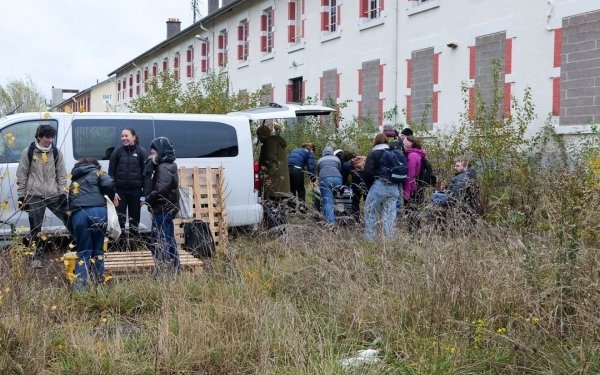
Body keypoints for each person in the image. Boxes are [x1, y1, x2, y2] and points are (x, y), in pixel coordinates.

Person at [16, 124, 70, 268]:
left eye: (52, 137)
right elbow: (22, 175)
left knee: (70, 219)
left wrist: (63, 193)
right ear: (39, 137)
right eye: (47, 137)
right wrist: (22, 196)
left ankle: (79, 249)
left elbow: (62, 175)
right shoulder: (28, 152)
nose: (50, 140)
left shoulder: (56, 152)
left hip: (54, 195)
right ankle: (36, 257)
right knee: (36, 228)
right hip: (35, 196)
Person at [68, 157, 115, 290]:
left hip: (79, 214)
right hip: (98, 212)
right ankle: (97, 286)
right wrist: (110, 196)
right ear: (95, 165)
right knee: (98, 250)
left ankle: (80, 290)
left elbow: (69, 203)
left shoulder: (74, 180)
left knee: (83, 252)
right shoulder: (98, 172)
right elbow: (108, 183)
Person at [143, 137, 181, 272]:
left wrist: (147, 199)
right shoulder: (165, 165)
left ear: (161, 150)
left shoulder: (163, 167)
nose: (151, 151)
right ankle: (174, 268)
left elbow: (161, 190)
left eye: (154, 148)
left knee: (161, 240)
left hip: (163, 210)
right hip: (165, 209)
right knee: (168, 239)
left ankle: (164, 271)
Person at [108, 127, 150, 249]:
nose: (124, 138)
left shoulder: (141, 152)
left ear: (133, 137)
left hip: (136, 193)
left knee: (134, 222)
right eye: (122, 136)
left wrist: (144, 195)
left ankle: (133, 248)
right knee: (119, 221)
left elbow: (147, 176)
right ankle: (119, 248)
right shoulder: (117, 152)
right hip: (120, 193)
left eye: (126, 136)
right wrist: (113, 192)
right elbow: (111, 175)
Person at [362, 133, 404, 241]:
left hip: (379, 185)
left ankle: (370, 240)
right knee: (389, 215)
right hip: (394, 187)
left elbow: (367, 172)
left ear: (375, 142)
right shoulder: (393, 152)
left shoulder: (374, 153)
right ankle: (389, 242)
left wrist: (370, 185)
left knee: (369, 210)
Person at [425, 157, 482, 222]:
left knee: (435, 197)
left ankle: (426, 220)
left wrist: (439, 203)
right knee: (437, 194)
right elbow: (458, 191)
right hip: (467, 207)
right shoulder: (469, 176)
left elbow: (454, 198)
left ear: (465, 167)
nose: (455, 168)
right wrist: (446, 189)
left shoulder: (461, 178)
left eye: (458, 166)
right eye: (455, 166)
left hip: (459, 208)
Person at [257, 124, 290, 200]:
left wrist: (268, 177)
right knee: (278, 207)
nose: (258, 138)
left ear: (261, 135)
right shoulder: (275, 141)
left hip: (274, 183)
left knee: (273, 207)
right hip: (279, 182)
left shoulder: (270, 142)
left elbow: (271, 162)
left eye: (258, 135)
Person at [402, 135, 427, 233]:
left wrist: (406, 193)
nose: (402, 145)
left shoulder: (412, 155)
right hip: (417, 187)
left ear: (407, 146)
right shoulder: (418, 154)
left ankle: (413, 236)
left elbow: (410, 175)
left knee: (411, 213)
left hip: (412, 189)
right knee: (414, 213)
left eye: (403, 144)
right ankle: (417, 235)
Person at [316, 146, 343, 224]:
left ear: (324, 152)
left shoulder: (320, 160)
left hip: (325, 179)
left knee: (327, 200)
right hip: (338, 179)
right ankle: (339, 216)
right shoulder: (337, 159)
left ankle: (331, 222)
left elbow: (319, 172)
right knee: (337, 198)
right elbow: (339, 169)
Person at [287, 142, 316, 209]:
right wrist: (312, 177)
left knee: (292, 188)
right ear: (311, 149)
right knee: (301, 189)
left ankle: (291, 208)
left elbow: (288, 157)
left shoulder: (295, 150)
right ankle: (302, 206)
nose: (313, 153)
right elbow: (310, 165)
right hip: (297, 169)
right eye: (313, 151)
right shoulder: (309, 153)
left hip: (287, 168)